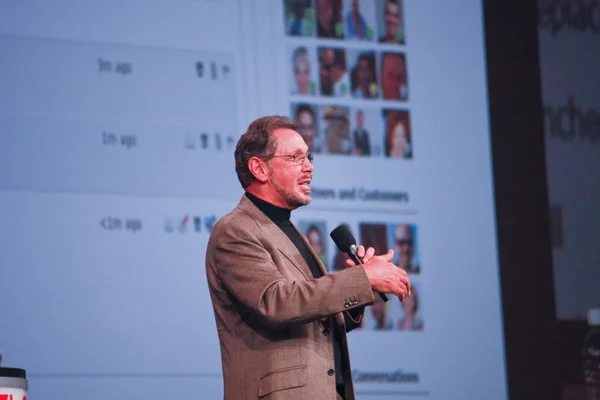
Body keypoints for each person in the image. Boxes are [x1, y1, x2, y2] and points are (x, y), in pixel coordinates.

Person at [205, 116, 411, 400]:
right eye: (295, 157)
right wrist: (361, 277)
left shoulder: (290, 231)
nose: (309, 167)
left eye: (308, 156)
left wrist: (364, 287)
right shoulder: (235, 230)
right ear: (258, 168)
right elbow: (276, 303)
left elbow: (318, 323)